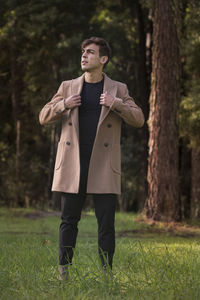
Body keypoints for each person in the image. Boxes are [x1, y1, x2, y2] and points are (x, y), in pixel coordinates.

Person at [39, 37, 144, 280]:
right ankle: (63, 272)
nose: (84, 56)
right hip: (74, 164)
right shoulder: (67, 87)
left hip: (103, 165)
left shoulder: (118, 89)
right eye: (83, 52)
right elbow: (43, 116)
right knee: (68, 220)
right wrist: (63, 104)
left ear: (103, 59)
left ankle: (107, 274)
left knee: (106, 223)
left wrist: (115, 103)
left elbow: (138, 119)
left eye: (90, 52)